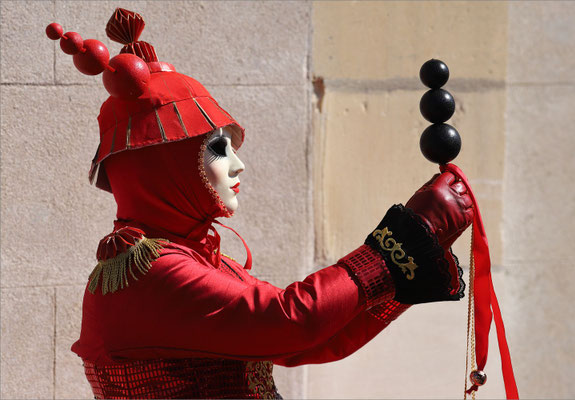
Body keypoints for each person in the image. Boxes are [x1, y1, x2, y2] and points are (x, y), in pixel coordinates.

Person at [51, 8, 473, 399]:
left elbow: (313, 341)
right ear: (164, 167)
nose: (238, 164)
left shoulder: (195, 256)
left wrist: (424, 242)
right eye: (217, 149)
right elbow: (290, 321)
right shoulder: (153, 274)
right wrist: (401, 239)